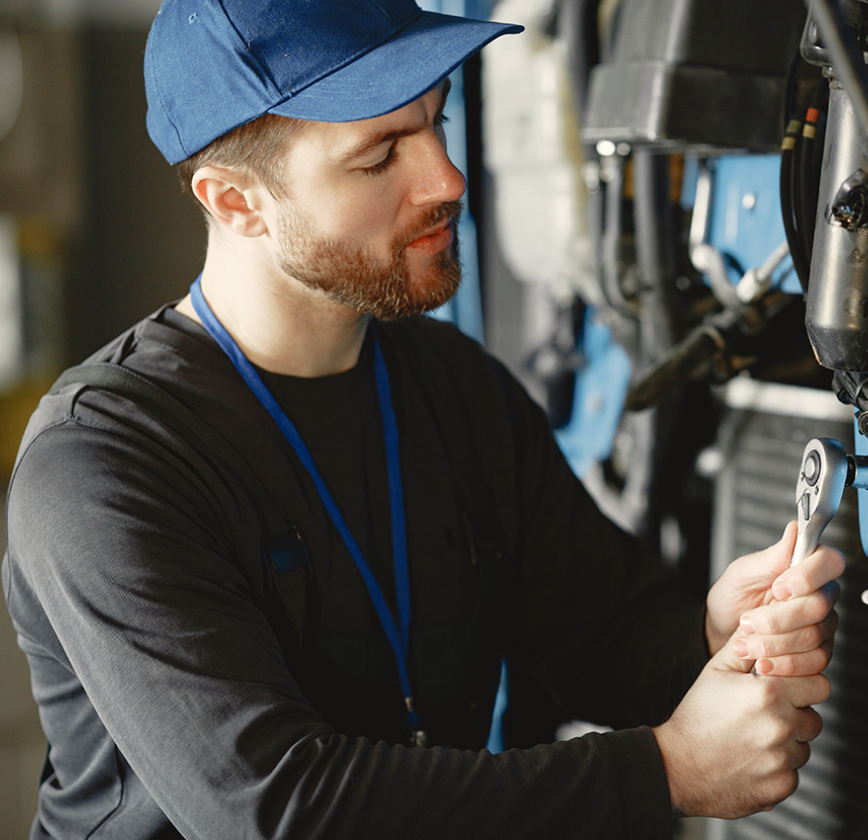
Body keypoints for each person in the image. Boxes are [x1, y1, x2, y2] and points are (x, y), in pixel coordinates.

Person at [1, 1, 845, 838]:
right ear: (235, 202)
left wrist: (714, 634)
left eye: (436, 120)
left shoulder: (454, 389)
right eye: (379, 157)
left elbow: (601, 634)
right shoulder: (102, 465)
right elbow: (276, 811)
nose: (446, 179)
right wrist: (665, 768)